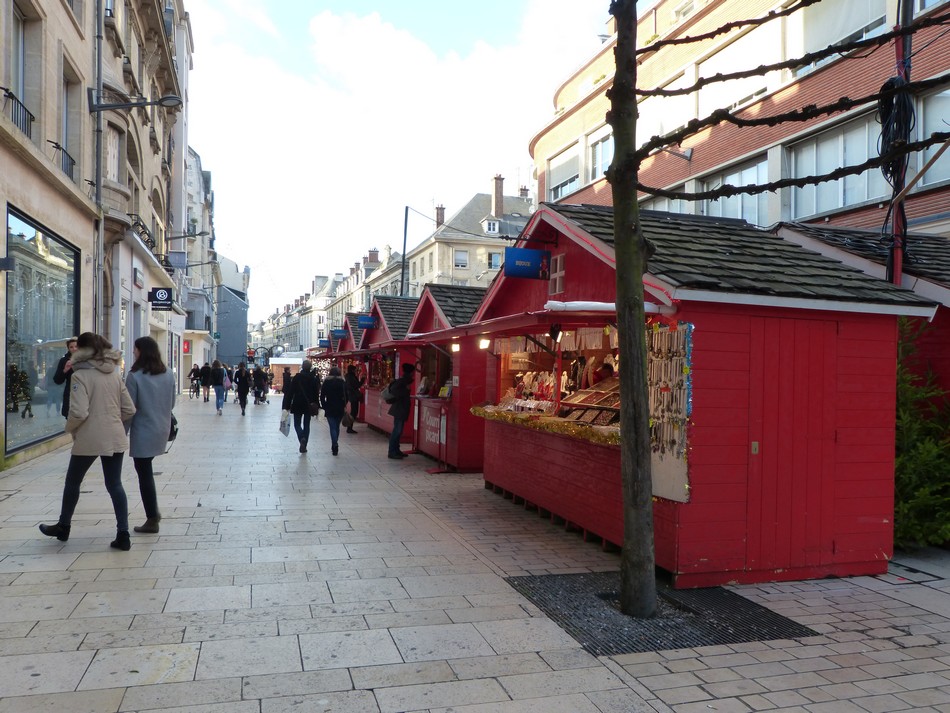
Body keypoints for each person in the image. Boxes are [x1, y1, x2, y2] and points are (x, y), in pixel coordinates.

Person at [39, 332, 136, 550]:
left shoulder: (79, 376)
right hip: (114, 435)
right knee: (115, 484)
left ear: (81, 350)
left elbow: (79, 412)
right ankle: (123, 533)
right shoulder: (114, 373)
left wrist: (69, 428)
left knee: (73, 481)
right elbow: (129, 408)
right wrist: (111, 420)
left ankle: (63, 527)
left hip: (90, 436)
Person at [125, 336, 175, 535]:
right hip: (162, 428)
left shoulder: (134, 376)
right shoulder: (169, 374)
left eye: (135, 349)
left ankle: (152, 518)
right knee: (146, 470)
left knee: (144, 473)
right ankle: (153, 513)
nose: (134, 353)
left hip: (143, 430)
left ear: (141, 352)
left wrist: (122, 432)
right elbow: (171, 404)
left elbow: (129, 408)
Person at [281, 359, 320, 453]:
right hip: (309, 404)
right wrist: (317, 405)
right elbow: (316, 393)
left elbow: (290, 392)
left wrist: (286, 406)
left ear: (302, 367)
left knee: (297, 424)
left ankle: (301, 437)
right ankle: (304, 444)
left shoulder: (297, 377)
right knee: (307, 425)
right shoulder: (313, 378)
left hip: (298, 403)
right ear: (310, 367)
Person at [387, 362, 416, 459]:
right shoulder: (403, 381)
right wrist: (406, 391)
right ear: (411, 372)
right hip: (399, 409)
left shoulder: (404, 381)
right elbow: (394, 390)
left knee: (399, 430)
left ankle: (396, 449)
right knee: (397, 430)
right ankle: (392, 451)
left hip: (400, 409)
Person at [320, 366, 348, 456]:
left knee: (332, 427)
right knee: (337, 427)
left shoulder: (327, 382)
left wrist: (324, 405)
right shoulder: (343, 382)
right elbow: (346, 395)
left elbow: (322, 395)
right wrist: (344, 404)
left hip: (329, 406)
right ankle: (335, 443)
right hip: (340, 407)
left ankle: (334, 444)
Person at [52, 338, 79, 418]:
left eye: (76, 346)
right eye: (71, 347)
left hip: (84, 393)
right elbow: (57, 380)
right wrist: (65, 370)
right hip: (70, 393)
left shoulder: (86, 360)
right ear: (68, 348)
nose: (74, 349)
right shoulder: (64, 361)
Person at [344, 364, 365, 434]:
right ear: (352, 370)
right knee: (354, 412)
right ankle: (349, 427)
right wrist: (362, 380)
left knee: (354, 411)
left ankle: (349, 427)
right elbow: (357, 385)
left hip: (351, 395)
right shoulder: (351, 377)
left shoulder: (347, 377)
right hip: (354, 396)